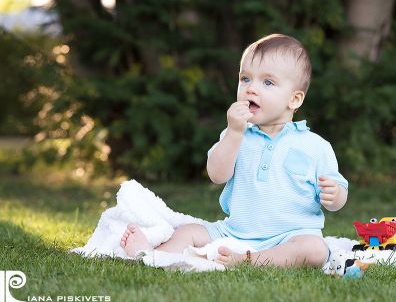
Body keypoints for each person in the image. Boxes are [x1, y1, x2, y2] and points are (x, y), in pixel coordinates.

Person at [120, 33, 349, 268]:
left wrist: (334, 195)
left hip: (290, 236)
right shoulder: (236, 134)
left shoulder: (315, 146)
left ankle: (248, 260)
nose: (251, 89)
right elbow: (217, 175)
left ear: (295, 99)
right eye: (245, 79)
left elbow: (337, 196)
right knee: (190, 232)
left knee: (315, 249)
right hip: (234, 232)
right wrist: (234, 132)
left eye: (267, 82)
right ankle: (151, 255)